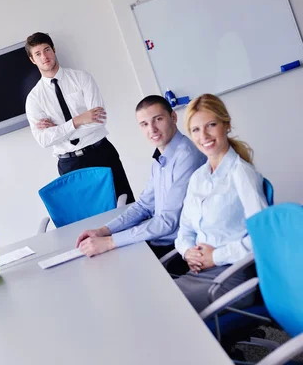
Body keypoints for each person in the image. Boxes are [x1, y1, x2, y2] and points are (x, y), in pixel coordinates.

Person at [75, 95, 206, 272]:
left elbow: (167, 223)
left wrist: (110, 242)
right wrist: (104, 231)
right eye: (144, 124)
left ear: (173, 117)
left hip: (180, 252)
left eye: (158, 119)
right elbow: (143, 207)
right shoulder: (161, 159)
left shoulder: (186, 157)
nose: (152, 129)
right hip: (159, 242)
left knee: (113, 272)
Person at [173, 94, 268, 312]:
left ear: (226, 125)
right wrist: (188, 252)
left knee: (167, 309)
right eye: (195, 129)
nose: (203, 135)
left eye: (211, 125)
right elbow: (185, 229)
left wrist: (214, 257)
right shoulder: (198, 177)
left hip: (230, 277)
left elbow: (263, 238)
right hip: (198, 273)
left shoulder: (242, 175)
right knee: (155, 298)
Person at [24, 32, 134, 203]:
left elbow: (99, 121)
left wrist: (58, 130)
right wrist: (78, 120)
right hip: (70, 165)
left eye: (46, 50)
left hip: (101, 154)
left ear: (54, 49)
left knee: (126, 209)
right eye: (38, 54)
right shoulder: (34, 99)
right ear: (32, 59)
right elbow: (44, 140)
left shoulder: (82, 78)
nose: (44, 56)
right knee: (87, 221)